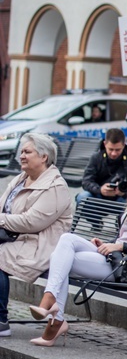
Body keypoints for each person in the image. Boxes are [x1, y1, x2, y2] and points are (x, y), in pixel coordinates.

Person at [27, 154, 127, 347]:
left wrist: (120, 246)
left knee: (60, 258)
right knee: (67, 240)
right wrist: (108, 243)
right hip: (115, 257)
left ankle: (53, 313)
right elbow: (125, 237)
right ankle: (53, 311)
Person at [0, 133, 73, 337]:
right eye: (21, 152)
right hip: (15, 237)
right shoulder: (20, 178)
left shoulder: (55, 186)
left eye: (27, 152)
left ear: (44, 157)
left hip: (40, 244)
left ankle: (1, 320)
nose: (22, 156)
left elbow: (32, 222)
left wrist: (1, 220)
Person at [76, 128, 127, 205]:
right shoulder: (96, 157)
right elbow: (86, 181)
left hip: (121, 198)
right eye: (110, 149)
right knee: (82, 197)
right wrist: (100, 189)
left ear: (124, 145)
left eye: (118, 150)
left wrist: (124, 191)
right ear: (105, 144)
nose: (114, 153)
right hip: (99, 194)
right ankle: (94, 216)